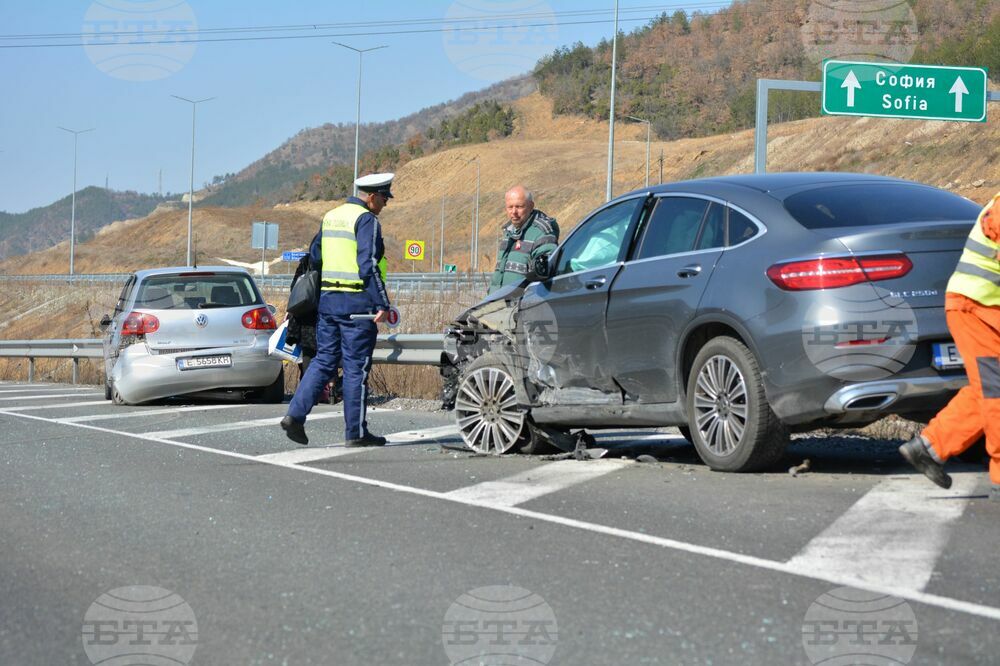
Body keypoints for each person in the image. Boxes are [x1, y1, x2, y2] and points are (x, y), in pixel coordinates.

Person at [898, 191, 1000, 500]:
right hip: (975, 308)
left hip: (986, 308)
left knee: (986, 388)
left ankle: (929, 447)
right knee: (996, 391)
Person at [280, 173, 393, 447]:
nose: (385, 204)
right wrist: (382, 303)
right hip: (357, 306)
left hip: (328, 303)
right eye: (383, 198)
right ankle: (355, 433)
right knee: (355, 369)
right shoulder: (366, 220)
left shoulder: (331, 216)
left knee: (324, 360)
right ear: (370, 196)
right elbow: (367, 264)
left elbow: (315, 255)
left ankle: (295, 414)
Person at [489, 186, 559, 292]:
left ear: (531, 206)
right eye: (510, 207)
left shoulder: (542, 233)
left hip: (523, 305)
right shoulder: (508, 232)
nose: (514, 212)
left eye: (519, 206)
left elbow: (545, 274)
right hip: (499, 303)